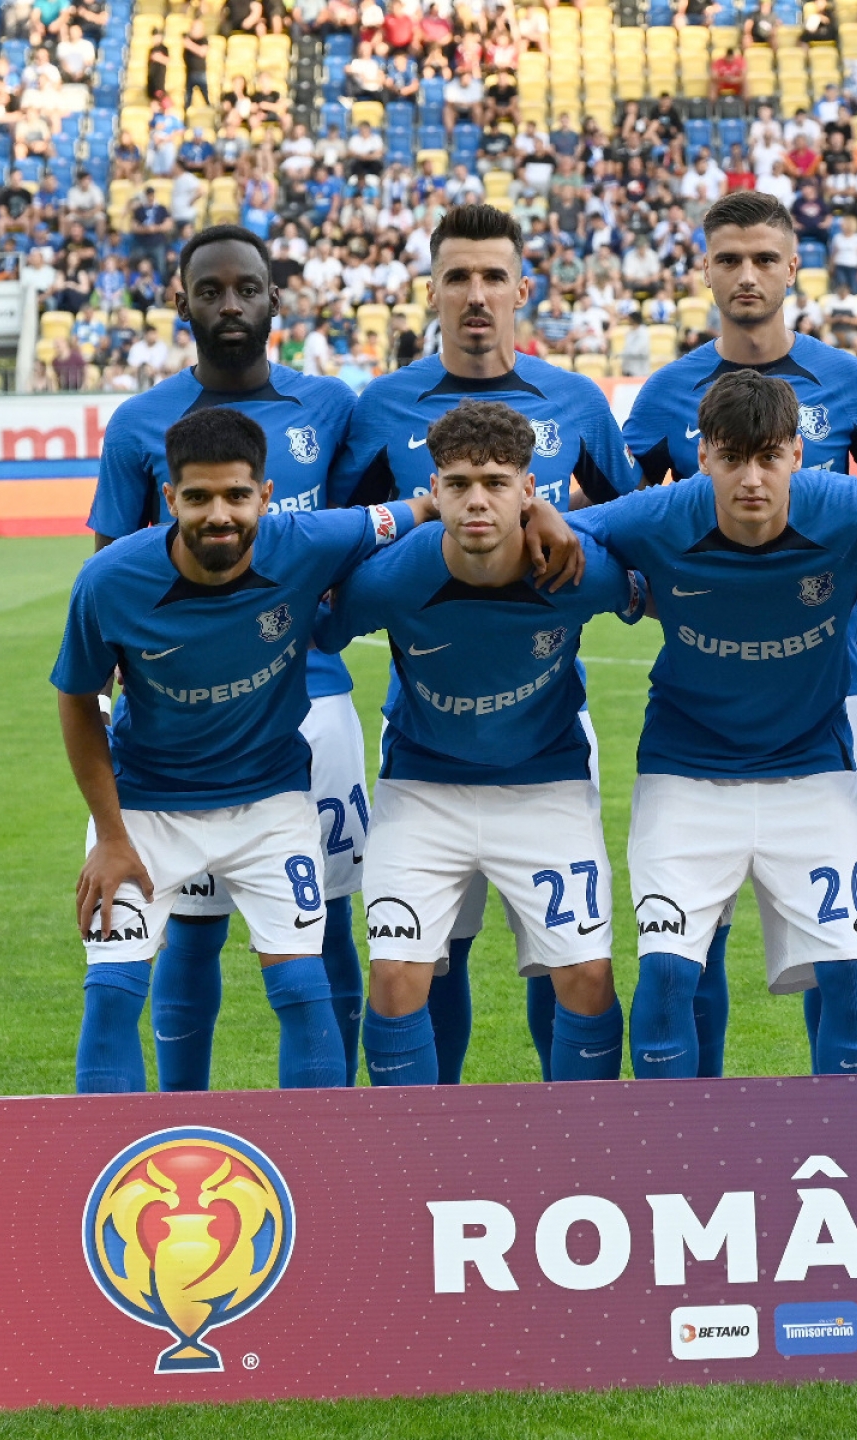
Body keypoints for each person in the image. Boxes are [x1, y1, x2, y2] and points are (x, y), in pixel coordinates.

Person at [572, 371, 857, 1080]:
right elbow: (563, 533)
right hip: (685, 772)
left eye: (768, 457)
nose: (751, 479)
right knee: (667, 973)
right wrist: (630, 587)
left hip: (813, 772)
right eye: (732, 458)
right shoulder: (658, 513)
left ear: (798, 453)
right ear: (703, 457)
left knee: (849, 972)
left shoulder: (848, 504)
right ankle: (675, 1139)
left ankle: (850, 1133)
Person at [331, 203, 641, 1085]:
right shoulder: (381, 406)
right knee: (435, 955)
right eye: (458, 277)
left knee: (562, 955)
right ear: (431, 290)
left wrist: (558, 516)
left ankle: (565, 1124)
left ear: (521, 289)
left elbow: (629, 531)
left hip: (546, 727)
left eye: (493, 277)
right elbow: (340, 545)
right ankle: (434, 1132)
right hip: (425, 725)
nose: (476, 295)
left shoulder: (576, 401)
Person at [52, 408, 434, 1094]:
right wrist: (109, 836)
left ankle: (317, 1151)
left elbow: (419, 509)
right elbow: (78, 701)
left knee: (304, 990)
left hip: (269, 802)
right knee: (110, 991)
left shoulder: (311, 539)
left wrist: (539, 519)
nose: (218, 514)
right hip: (145, 808)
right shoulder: (109, 581)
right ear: (169, 499)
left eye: (236, 494)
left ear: (265, 495)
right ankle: (116, 1159)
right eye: (198, 497)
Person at [621, 191, 857, 1074]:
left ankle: (834, 1116)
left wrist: (818, 580)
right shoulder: (666, 393)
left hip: (831, 695)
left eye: (765, 259)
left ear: (792, 269)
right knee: (692, 937)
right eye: (729, 259)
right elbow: (629, 531)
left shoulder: (849, 381)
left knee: (832, 940)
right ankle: (695, 1115)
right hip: (707, 702)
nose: (747, 275)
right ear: (705, 270)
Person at [86, 225, 366, 1093]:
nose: (231, 304)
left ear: (276, 299)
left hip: (316, 705)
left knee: (326, 924)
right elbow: (110, 570)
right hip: (183, 714)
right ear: (182, 303)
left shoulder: (332, 405)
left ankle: (331, 1128)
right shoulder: (138, 421)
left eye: (248, 288)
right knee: (192, 930)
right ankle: (181, 1118)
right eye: (211, 290)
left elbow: (357, 539)